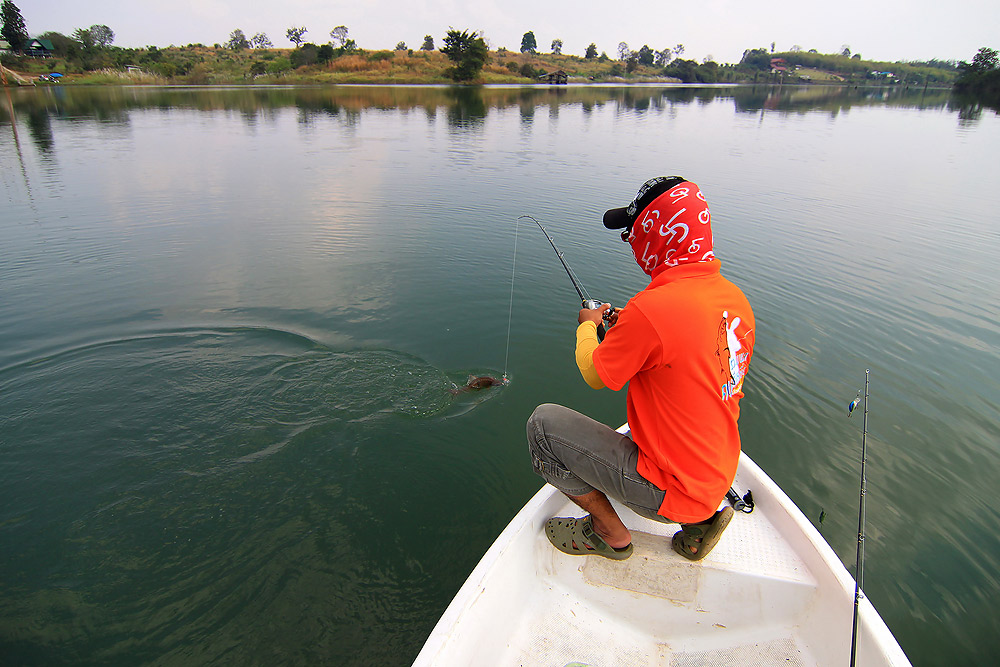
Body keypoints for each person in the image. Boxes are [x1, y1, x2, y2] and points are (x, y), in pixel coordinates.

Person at [526, 176, 755, 561]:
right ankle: (699, 523)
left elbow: (594, 373)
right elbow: (681, 352)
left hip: (673, 487)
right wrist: (626, 325)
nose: (631, 243)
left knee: (542, 427)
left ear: (657, 235)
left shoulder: (653, 310)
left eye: (632, 234)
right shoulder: (734, 299)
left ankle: (609, 534)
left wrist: (587, 324)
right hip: (716, 474)